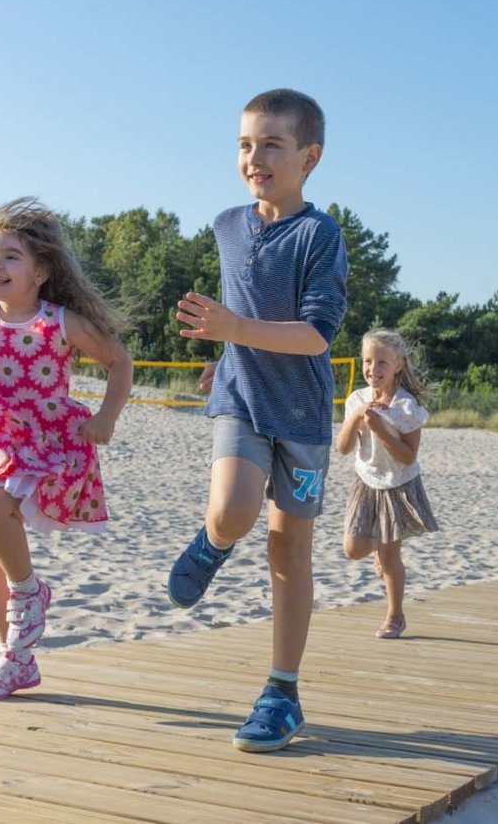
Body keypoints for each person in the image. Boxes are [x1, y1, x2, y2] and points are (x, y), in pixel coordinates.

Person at [165, 88, 347, 752]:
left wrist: (235, 327)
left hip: (302, 422)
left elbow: (315, 336)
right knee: (232, 512)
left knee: (288, 550)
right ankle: (212, 543)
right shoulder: (226, 224)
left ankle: (281, 693)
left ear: (309, 157)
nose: (255, 156)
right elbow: (240, 317)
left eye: (272, 144)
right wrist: (227, 350)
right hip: (241, 400)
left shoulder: (318, 235)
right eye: (245, 144)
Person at [0, 197, 132, 699]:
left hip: (46, 442)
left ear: (41, 271)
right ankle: (15, 658)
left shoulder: (58, 320)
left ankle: (30, 590)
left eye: (10, 256)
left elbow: (118, 361)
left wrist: (106, 416)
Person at [337, 329, 438, 639]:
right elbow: (342, 448)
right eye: (368, 361)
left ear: (398, 365)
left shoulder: (406, 408)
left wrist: (379, 428)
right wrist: (357, 419)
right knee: (353, 550)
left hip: (398, 484)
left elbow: (408, 457)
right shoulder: (357, 399)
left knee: (391, 556)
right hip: (366, 480)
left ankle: (395, 616)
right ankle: (377, 552)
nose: (373, 369)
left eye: (382, 362)